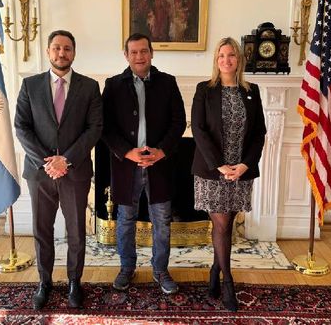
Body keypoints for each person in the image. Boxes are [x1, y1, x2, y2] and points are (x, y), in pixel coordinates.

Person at [14, 30, 103, 310]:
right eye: (56, 48)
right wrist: (48, 161)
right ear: (48, 51)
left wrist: (66, 160)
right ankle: (45, 282)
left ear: (74, 53)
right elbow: (21, 127)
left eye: (66, 48)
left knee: (77, 231)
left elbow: (95, 129)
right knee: (42, 230)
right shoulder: (30, 85)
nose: (61, 53)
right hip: (39, 174)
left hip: (75, 173)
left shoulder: (89, 87)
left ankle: (75, 282)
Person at [102, 33, 186, 294]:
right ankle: (127, 267)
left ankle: (160, 270)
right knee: (125, 219)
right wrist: (127, 152)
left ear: (152, 53)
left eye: (144, 51)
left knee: (161, 220)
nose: (139, 56)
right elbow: (105, 127)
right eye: (134, 52)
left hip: (159, 165)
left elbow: (178, 122)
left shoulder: (168, 83)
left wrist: (162, 151)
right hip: (126, 166)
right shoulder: (113, 85)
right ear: (126, 56)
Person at [191, 37, 266, 311]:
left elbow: (259, 133)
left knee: (227, 225)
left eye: (231, 55)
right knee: (221, 226)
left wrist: (245, 165)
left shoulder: (252, 91)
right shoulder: (204, 90)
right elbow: (198, 130)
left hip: (240, 172)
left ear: (239, 60)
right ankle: (228, 282)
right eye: (221, 55)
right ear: (216, 60)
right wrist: (219, 165)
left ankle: (214, 271)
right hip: (213, 172)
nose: (226, 60)